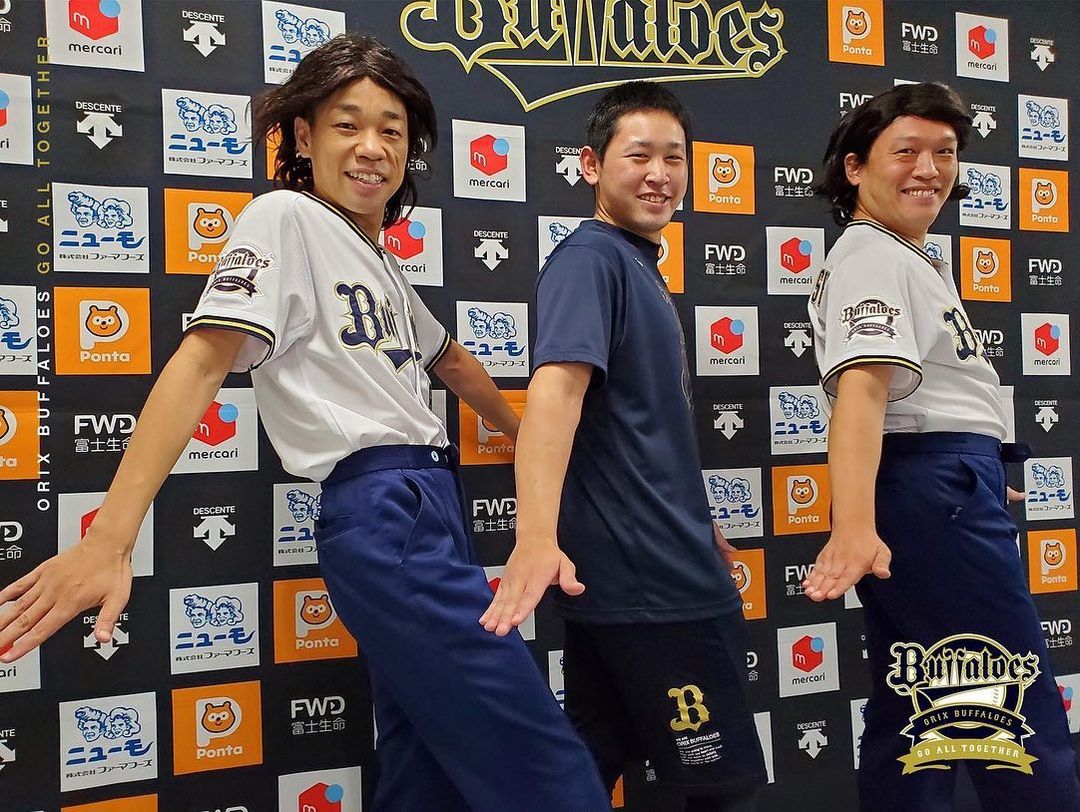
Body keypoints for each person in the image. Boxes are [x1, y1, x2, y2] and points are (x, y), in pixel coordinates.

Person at [0, 33, 608, 812]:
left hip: (429, 502)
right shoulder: (283, 216)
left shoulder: (379, 259)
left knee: (427, 757)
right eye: (347, 124)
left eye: (392, 130)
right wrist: (109, 538)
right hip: (382, 508)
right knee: (538, 756)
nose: (373, 147)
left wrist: (523, 434)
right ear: (303, 136)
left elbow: (451, 360)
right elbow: (202, 360)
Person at [480, 81, 766, 811]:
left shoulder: (631, 262)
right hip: (656, 587)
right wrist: (535, 537)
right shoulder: (592, 260)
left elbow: (632, 426)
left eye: (674, 157)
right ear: (590, 165)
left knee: (587, 768)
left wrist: (693, 518)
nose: (659, 174)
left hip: (642, 568)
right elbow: (555, 396)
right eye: (638, 155)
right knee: (719, 788)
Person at [805, 82, 1080, 811]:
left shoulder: (900, 254)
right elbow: (863, 392)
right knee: (1010, 703)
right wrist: (856, 525)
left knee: (919, 709)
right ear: (856, 167)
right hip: (930, 492)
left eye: (946, 152)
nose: (929, 169)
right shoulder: (874, 256)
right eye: (907, 152)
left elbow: (916, 398)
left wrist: (976, 465)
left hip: (938, 483)